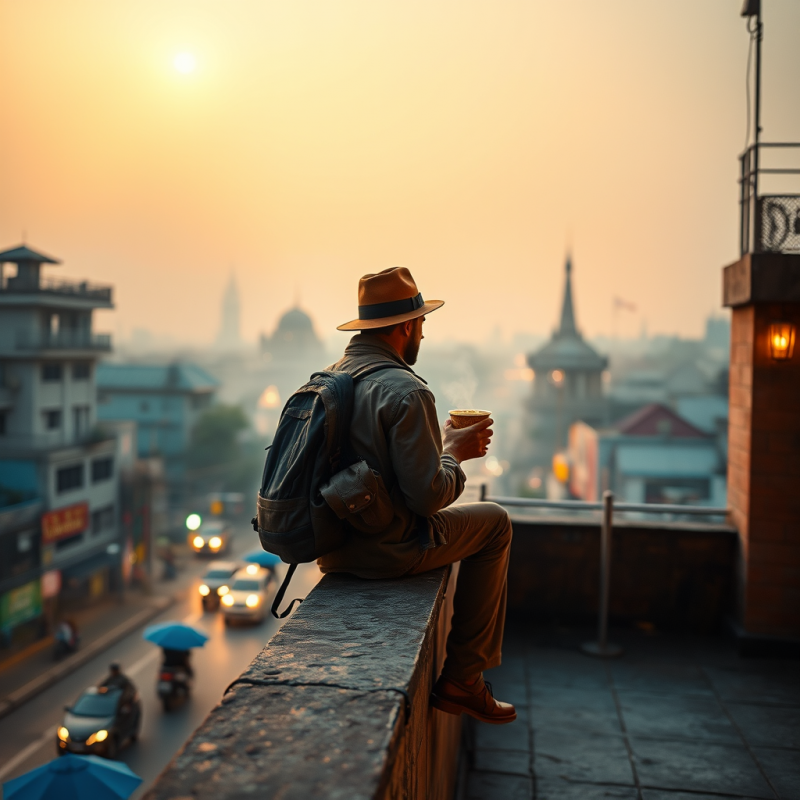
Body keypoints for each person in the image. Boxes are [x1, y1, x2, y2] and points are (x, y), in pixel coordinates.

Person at [320, 266, 515, 725]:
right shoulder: (406, 390)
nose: (422, 336)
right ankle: (465, 679)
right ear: (407, 326)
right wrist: (454, 453)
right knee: (496, 523)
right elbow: (428, 498)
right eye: (422, 325)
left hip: (332, 551)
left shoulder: (329, 378)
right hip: (388, 552)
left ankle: (466, 678)